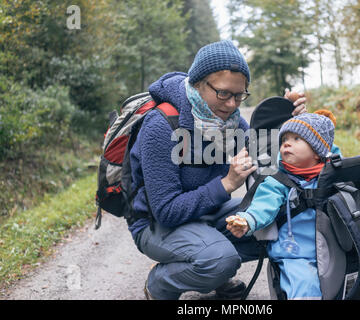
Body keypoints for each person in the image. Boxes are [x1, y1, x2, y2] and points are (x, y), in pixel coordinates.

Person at [128, 40, 308, 300]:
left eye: (239, 95)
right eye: (223, 93)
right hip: (155, 226)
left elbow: (270, 161)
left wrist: (290, 121)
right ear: (198, 84)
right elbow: (166, 211)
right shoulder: (162, 124)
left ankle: (215, 267)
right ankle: (161, 283)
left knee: (278, 222)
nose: (232, 104)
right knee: (220, 259)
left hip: (207, 215)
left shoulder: (230, 121)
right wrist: (226, 184)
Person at [226, 110, 338, 299]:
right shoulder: (279, 181)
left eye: (296, 139)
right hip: (296, 253)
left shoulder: (333, 176)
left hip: (332, 250)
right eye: (284, 138)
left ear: (318, 151)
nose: (287, 143)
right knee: (305, 288)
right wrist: (247, 220)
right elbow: (263, 205)